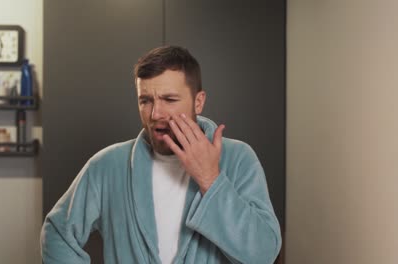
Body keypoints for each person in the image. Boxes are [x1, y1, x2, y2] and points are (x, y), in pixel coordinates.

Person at [41, 46, 282, 264]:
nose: (155, 113)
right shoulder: (108, 165)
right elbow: (57, 233)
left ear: (198, 102)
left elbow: (263, 254)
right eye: (145, 100)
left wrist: (211, 179)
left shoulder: (238, 159)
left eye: (169, 99)